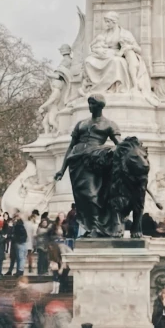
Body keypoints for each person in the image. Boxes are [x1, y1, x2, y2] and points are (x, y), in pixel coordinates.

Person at [55, 94, 121, 236]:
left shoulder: (109, 124)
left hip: (95, 161)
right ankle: (92, 228)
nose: (90, 106)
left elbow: (119, 145)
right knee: (82, 197)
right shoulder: (81, 124)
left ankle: (98, 227)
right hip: (77, 162)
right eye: (89, 103)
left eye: (92, 104)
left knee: (91, 194)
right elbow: (71, 147)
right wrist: (62, 169)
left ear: (100, 106)